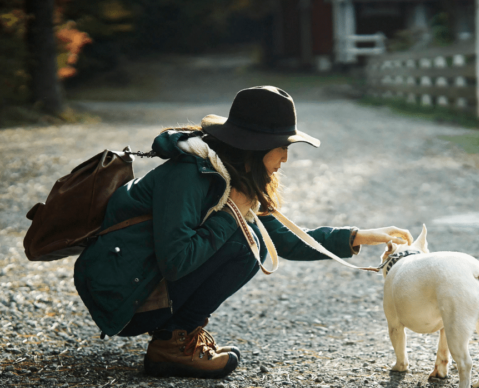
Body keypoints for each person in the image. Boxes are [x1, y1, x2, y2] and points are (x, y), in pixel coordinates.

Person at [74, 86, 413, 379]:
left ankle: (175, 336)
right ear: (257, 145)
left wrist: (360, 236)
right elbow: (176, 261)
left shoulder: (231, 173)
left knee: (251, 238)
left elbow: (284, 240)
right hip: (118, 291)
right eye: (283, 147)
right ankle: (172, 343)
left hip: (141, 279)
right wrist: (228, 215)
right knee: (245, 243)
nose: (285, 158)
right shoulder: (189, 174)